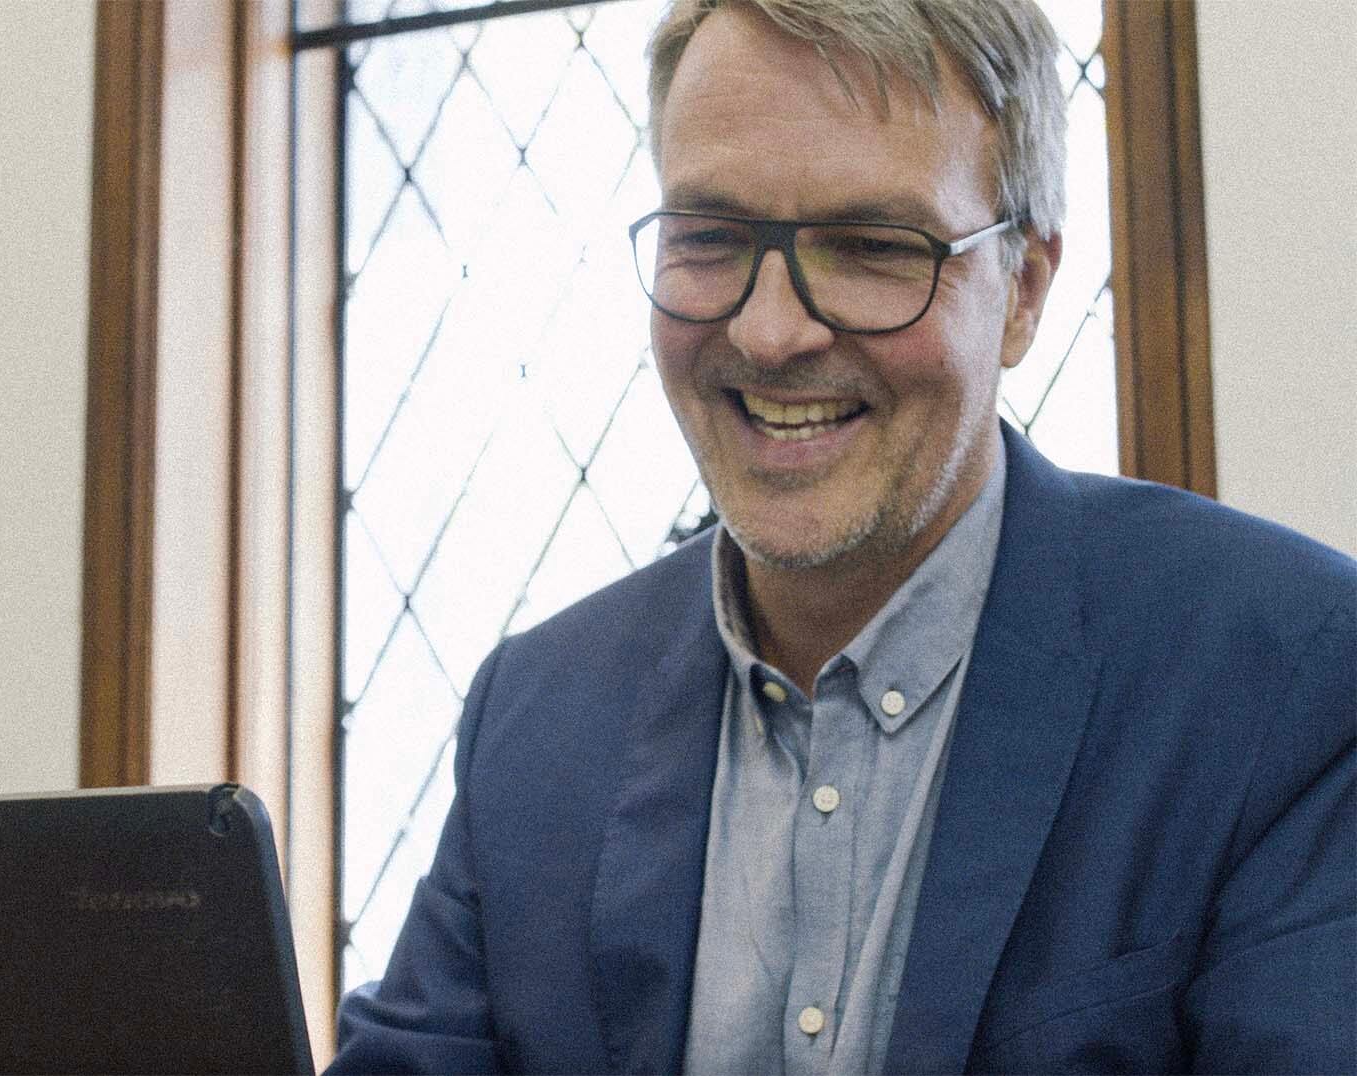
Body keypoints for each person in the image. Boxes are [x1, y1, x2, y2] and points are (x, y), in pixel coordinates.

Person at [328, 0, 1357, 1072]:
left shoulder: (1284, 684)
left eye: (872, 247)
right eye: (712, 239)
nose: (771, 330)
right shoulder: (533, 721)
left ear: (1023, 292)